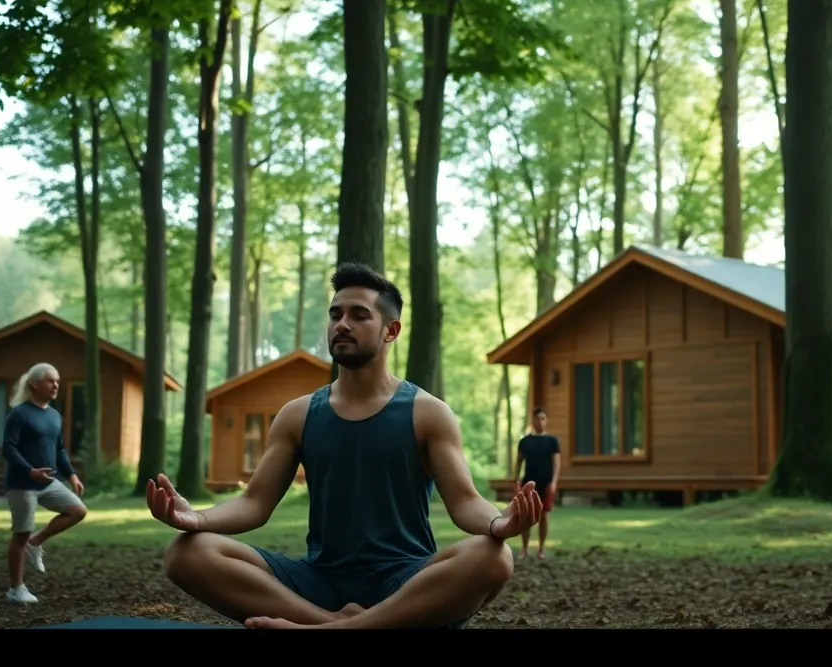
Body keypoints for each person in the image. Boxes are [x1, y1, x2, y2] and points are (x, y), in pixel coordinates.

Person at [147, 261, 544, 629]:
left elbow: (464, 501)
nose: (342, 324)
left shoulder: (428, 412)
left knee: (492, 556)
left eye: (359, 315)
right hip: (320, 579)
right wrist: (196, 519)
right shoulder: (298, 415)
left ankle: (332, 629)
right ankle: (333, 624)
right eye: (336, 314)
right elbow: (254, 504)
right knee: (185, 553)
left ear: (391, 330)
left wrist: (498, 523)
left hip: (405, 581)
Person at [0, 362, 88, 605]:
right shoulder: (19, 413)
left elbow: (59, 448)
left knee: (78, 510)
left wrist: (71, 475)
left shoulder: (54, 415)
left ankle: (36, 542)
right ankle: (16, 589)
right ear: (34, 384)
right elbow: (8, 448)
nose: (56, 384)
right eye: (51, 380)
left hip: (49, 482)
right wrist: (30, 471)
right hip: (22, 483)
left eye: (57, 381)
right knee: (20, 534)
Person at [512, 407, 560, 559]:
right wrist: (516, 480)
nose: (540, 421)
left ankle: (541, 549)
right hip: (528, 483)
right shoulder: (525, 442)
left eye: (543, 418)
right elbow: (518, 462)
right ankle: (524, 548)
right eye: (537, 418)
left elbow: (556, 463)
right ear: (532, 420)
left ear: (546, 421)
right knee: (526, 516)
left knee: (544, 516)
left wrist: (554, 482)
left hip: (545, 484)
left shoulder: (552, 441)